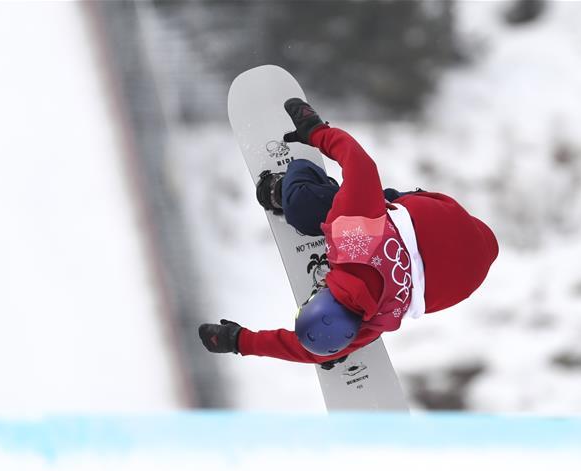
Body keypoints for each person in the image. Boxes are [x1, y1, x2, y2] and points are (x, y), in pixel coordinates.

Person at [199, 98, 498, 366]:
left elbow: (308, 351)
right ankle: (281, 188)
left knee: (334, 213)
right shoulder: (354, 237)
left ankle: (338, 351)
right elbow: (359, 161)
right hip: (440, 220)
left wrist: (241, 341)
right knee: (301, 206)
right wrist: (315, 131)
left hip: (464, 277)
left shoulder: (379, 318)